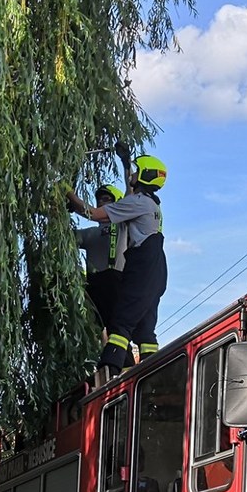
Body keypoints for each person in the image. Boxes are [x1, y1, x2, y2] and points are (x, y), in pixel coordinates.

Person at [67, 153, 168, 374]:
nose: (133, 174)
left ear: (145, 175)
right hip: (156, 269)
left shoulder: (137, 203)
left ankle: (111, 369)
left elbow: (94, 214)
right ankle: (154, 371)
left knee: (121, 322)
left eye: (136, 170)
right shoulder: (151, 204)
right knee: (145, 328)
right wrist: (125, 164)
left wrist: (69, 194)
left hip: (141, 268)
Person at [77, 184, 127, 325]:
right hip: (93, 285)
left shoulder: (123, 225)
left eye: (106, 199)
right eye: (99, 200)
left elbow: (130, 198)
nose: (100, 202)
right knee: (95, 327)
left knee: (115, 327)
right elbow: (65, 237)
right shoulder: (89, 233)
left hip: (115, 282)